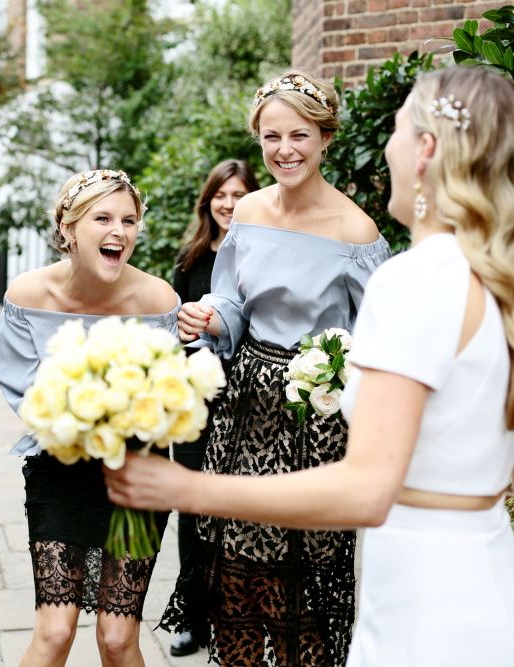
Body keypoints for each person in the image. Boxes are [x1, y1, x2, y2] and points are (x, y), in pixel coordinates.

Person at [106, 65, 514, 666]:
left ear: (425, 149)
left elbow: (368, 487)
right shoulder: (483, 276)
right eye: (271, 136)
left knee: (308, 607)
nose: (385, 145)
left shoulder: (411, 279)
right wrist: (216, 320)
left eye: (396, 129)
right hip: (477, 561)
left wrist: (188, 488)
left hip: (417, 578)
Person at [135, 70, 392, 666]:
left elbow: (381, 336)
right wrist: (210, 317)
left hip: (317, 423)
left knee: (304, 578)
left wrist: (337, 374)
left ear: (325, 138)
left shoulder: (357, 231)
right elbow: (232, 300)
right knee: (238, 569)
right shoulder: (247, 211)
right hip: (245, 414)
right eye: (271, 136)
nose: (284, 150)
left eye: (299, 135)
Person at [0, 168, 180, 667]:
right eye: (102, 218)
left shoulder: (158, 300)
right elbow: (20, 387)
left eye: (129, 219)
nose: (119, 230)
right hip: (59, 470)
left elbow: (169, 394)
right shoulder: (27, 295)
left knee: (117, 639)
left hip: (136, 477)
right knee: (55, 632)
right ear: (68, 227)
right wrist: (76, 420)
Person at [169, 158, 260, 658]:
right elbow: (170, 329)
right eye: (221, 195)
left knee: (236, 508)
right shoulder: (190, 259)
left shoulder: (263, 256)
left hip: (245, 401)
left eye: (239, 195)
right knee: (191, 506)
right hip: (194, 400)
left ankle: (237, 609)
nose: (229, 204)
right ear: (209, 201)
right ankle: (193, 617)